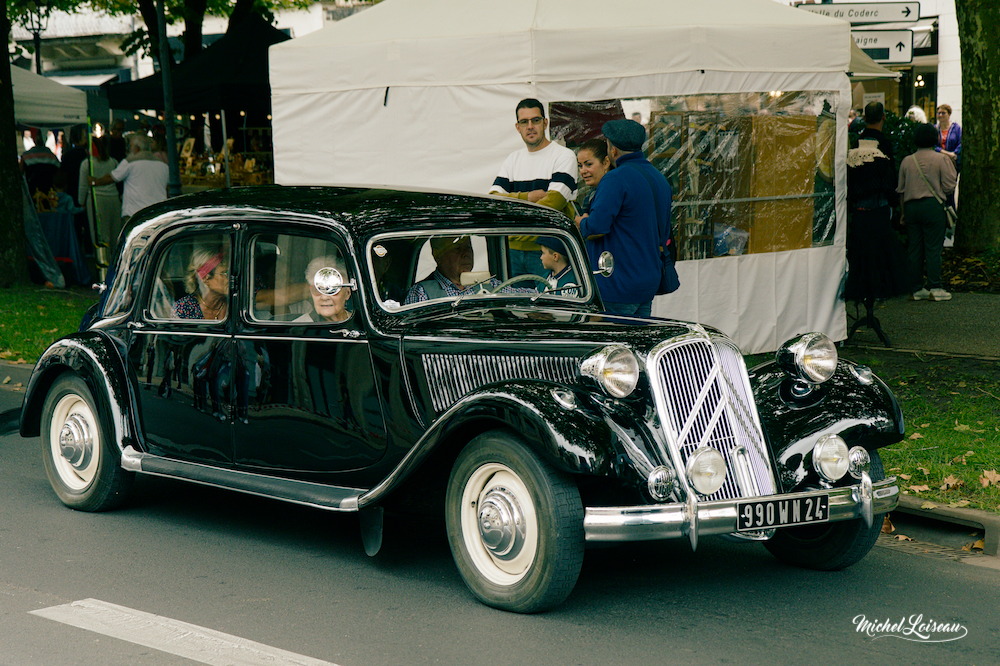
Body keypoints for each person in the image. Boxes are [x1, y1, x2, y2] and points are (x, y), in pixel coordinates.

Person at [577, 119, 673, 317]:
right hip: (648, 278)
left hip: (619, 281)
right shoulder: (658, 176)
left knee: (615, 346)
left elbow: (596, 227)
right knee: (638, 344)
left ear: (612, 150)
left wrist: (581, 222)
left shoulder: (615, 178)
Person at [489, 98, 579, 276]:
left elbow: (552, 204)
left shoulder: (564, 156)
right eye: (524, 122)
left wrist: (514, 221)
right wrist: (526, 197)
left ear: (545, 123)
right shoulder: (512, 160)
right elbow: (493, 200)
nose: (530, 126)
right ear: (518, 127)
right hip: (512, 253)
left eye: (535, 120)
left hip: (550, 253)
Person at [897, 123, 958, 302]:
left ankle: (916, 288)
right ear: (934, 138)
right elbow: (949, 186)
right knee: (933, 248)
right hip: (933, 206)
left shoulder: (907, 161)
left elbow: (901, 189)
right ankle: (935, 286)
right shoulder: (941, 159)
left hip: (910, 207)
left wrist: (902, 212)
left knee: (914, 248)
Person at [404, 236, 530, 304]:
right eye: (458, 249)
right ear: (437, 255)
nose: (466, 254)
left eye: (468, 248)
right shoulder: (422, 292)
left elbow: (526, 295)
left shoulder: (489, 285)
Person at [89, 133, 168, 223]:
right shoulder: (163, 165)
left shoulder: (130, 162)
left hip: (135, 213)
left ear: (137, 148)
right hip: (158, 213)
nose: (129, 148)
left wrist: (95, 182)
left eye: (130, 146)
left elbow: (112, 178)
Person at [77, 135, 122, 255]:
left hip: (96, 199)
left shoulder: (86, 164)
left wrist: (81, 202)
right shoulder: (113, 162)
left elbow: (83, 185)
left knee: (100, 234)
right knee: (115, 232)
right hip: (114, 198)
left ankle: (103, 263)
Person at [173, 247, 229, 319]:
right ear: (206, 278)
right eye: (224, 274)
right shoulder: (183, 308)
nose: (229, 279)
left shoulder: (234, 305)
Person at [296, 257, 353, 323]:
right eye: (317, 289)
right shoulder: (299, 328)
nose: (324, 297)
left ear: (347, 293)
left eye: (332, 289)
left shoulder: (361, 323)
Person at [574, 138, 612, 217]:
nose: (583, 171)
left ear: (605, 163)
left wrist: (583, 223)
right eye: (580, 166)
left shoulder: (611, 192)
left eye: (589, 164)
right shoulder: (591, 195)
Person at [20, 129, 60, 197]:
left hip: (32, 188)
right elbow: (58, 173)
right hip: (49, 189)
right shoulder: (52, 157)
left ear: (33, 139)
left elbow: (20, 172)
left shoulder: (26, 156)